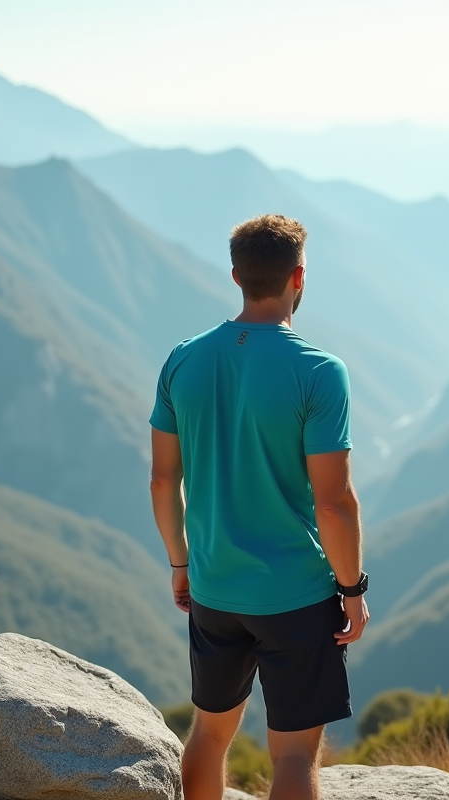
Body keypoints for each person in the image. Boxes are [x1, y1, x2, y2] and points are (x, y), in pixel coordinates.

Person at [148, 214, 369, 800]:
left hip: (214, 586)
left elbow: (162, 480)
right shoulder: (320, 372)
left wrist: (180, 563)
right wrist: (352, 588)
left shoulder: (183, 360)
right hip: (295, 592)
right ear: (299, 276)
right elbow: (334, 503)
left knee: (209, 735)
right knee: (295, 753)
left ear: (235, 275)